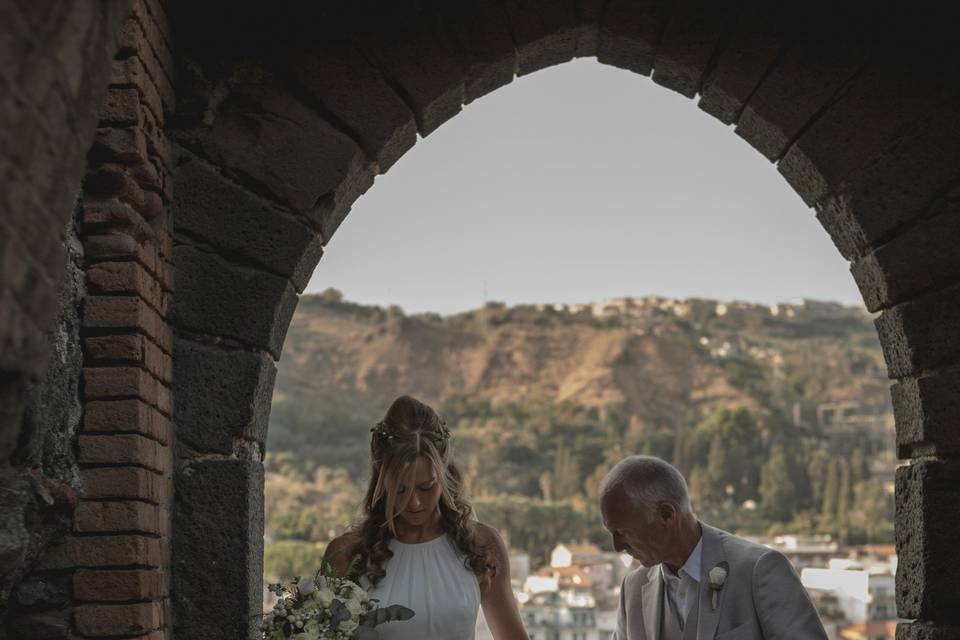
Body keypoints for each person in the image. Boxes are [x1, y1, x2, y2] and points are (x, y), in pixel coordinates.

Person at [323, 395, 527, 640]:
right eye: (401, 489)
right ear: (381, 478)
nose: (414, 503)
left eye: (426, 487)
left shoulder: (482, 545)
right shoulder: (346, 554)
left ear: (443, 472)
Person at [599, 455, 827, 640]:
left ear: (667, 514)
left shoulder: (760, 570)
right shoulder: (633, 588)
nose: (618, 546)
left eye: (623, 532)